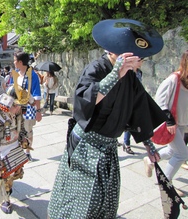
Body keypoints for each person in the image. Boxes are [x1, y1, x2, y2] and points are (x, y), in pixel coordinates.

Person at [47, 19, 167, 219]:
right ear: (123, 55)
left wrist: (148, 144)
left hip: (108, 147)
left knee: (105, 201)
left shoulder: (131, 77)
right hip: (87, 146)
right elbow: (85, 99)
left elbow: (139, 109)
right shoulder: (98, 67)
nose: (141, 63)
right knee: (81, 201)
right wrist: (115, 75)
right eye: (140, 59)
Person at [144, 50, 188, 196]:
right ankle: (166, 184)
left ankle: (150, 160)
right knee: (182, 154)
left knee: (171, 151)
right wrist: (169, 121)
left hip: (182, 123)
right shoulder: (174, 80)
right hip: (171, 124)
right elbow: (160, 101)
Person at [13, 51, 43, 161]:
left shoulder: (32, 75)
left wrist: (38, 111)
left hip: (29, 107)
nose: (14, 62)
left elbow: (37, 95)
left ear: (20, 62)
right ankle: (18, 150)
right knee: (16, 130)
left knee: (27, 130)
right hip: (17, 107)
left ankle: (27, 151)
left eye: (15, 60)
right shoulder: (16, 74)